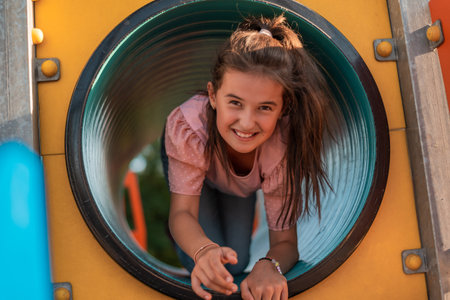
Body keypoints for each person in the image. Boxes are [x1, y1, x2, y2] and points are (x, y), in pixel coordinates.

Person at [161, 15, 331, 300]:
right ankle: (183, 248)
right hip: (193, 162)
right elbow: (183, 213)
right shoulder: (189, 128)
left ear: (283, 107)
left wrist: (269, 265)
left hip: (236, 185)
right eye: (235, 103)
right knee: (202, 256)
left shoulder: (282, 150)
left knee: (236, 262)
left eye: (264, 107)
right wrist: (202, 250)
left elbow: (286, 242)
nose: (247, 123)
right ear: (213, 96)